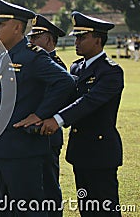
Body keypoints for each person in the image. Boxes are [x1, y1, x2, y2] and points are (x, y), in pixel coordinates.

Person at [0, 0, 75, 216]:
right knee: (7, 208)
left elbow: (65, 82)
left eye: (0, 24)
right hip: (3, 146)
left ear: (17, 27)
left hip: (23, 149)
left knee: (28, 209)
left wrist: (40, 114)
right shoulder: (5, 55)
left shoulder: (32, 56)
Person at [41, 11, 124, 217]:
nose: (76, 41)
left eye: (82, 37)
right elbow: (65, 98)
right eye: (76, 36)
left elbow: (88, 102)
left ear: (98, 40)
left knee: (105, 208)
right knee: (87, 208)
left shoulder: (111, 71)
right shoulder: (77, 67)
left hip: (101, 150)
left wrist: (57, 120)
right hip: (80, 150)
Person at [27, 14, 67, 217]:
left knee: (49, 186)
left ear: (49, 39)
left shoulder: (56, 64)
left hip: (47, 134)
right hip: (33, 133)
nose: (31, 41)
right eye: (31, 37)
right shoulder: (36, 60)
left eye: (36, 37)